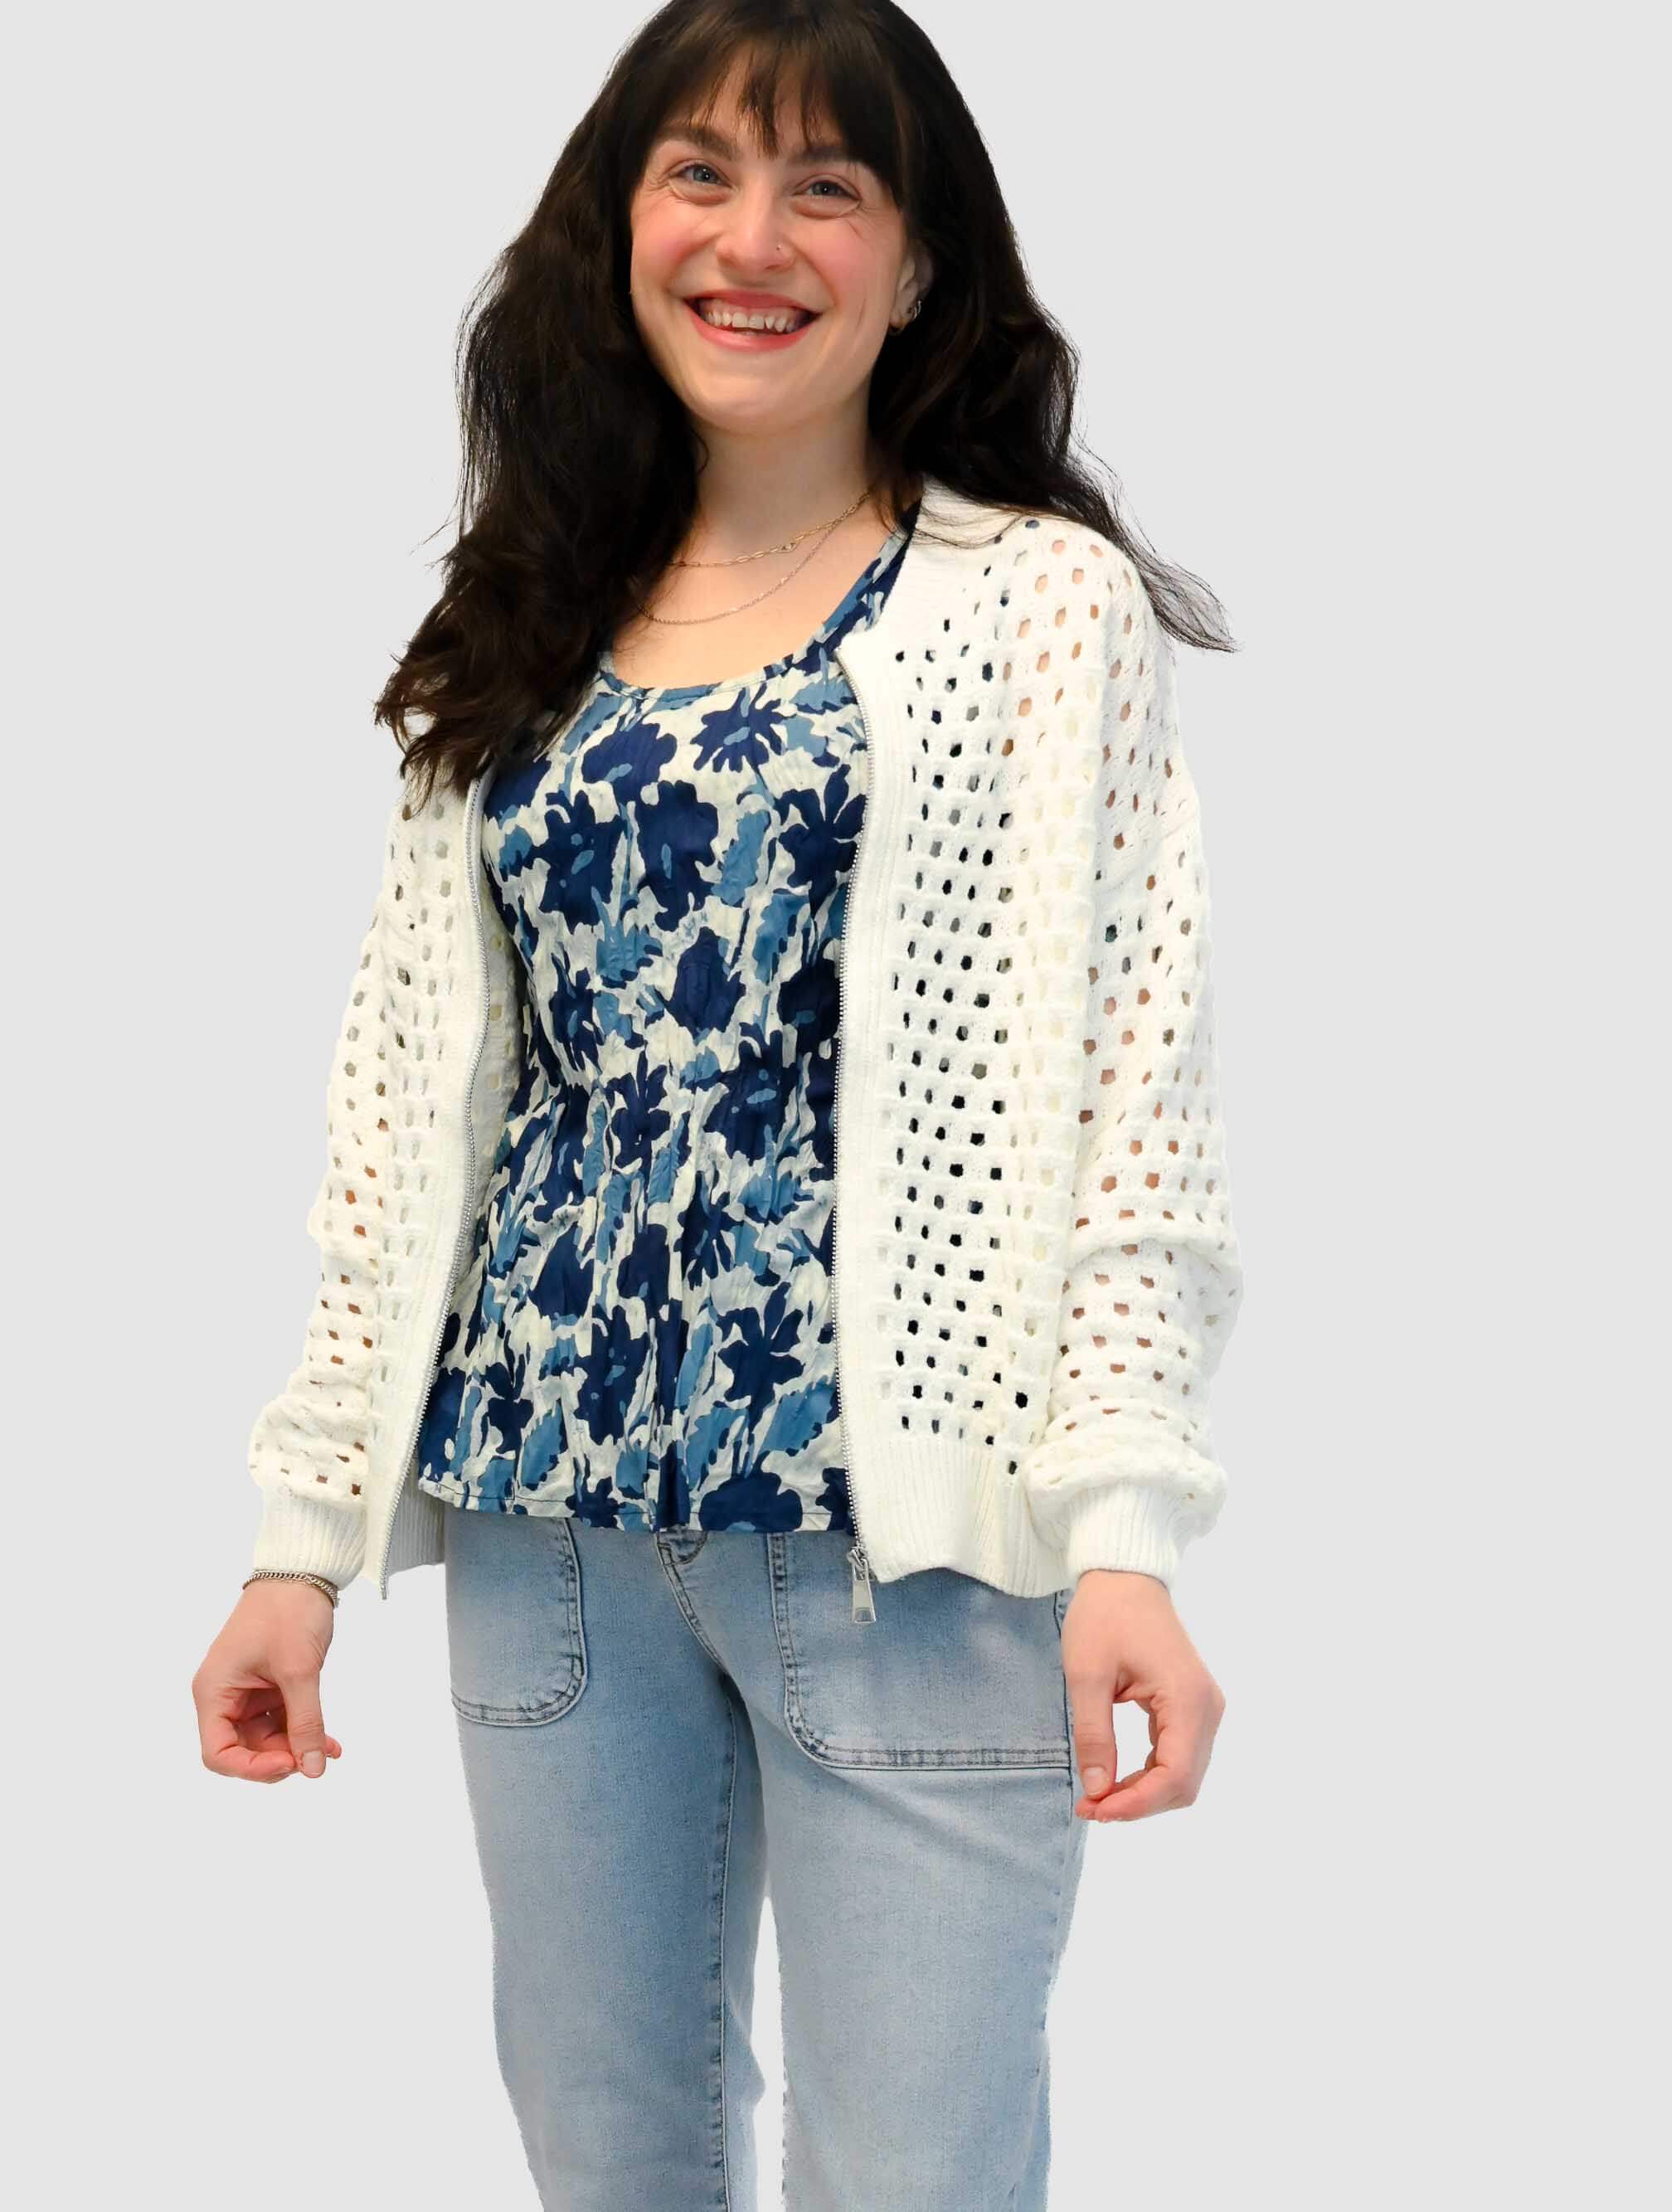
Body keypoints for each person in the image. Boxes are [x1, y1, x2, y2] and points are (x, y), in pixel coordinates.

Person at [191, 4, 1247, 2205]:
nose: (752, 240)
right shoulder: (520, 618)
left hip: (911, 1552)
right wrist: (303, 1540)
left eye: (825, 188)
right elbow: (399, 1122)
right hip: (544, 1528)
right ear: (620, 221)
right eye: (700, 173)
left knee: (917, 2175)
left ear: (917, 264)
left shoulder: (1035, 608)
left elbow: (1130, 1105)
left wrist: (1126, 1542)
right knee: (611, 2167)